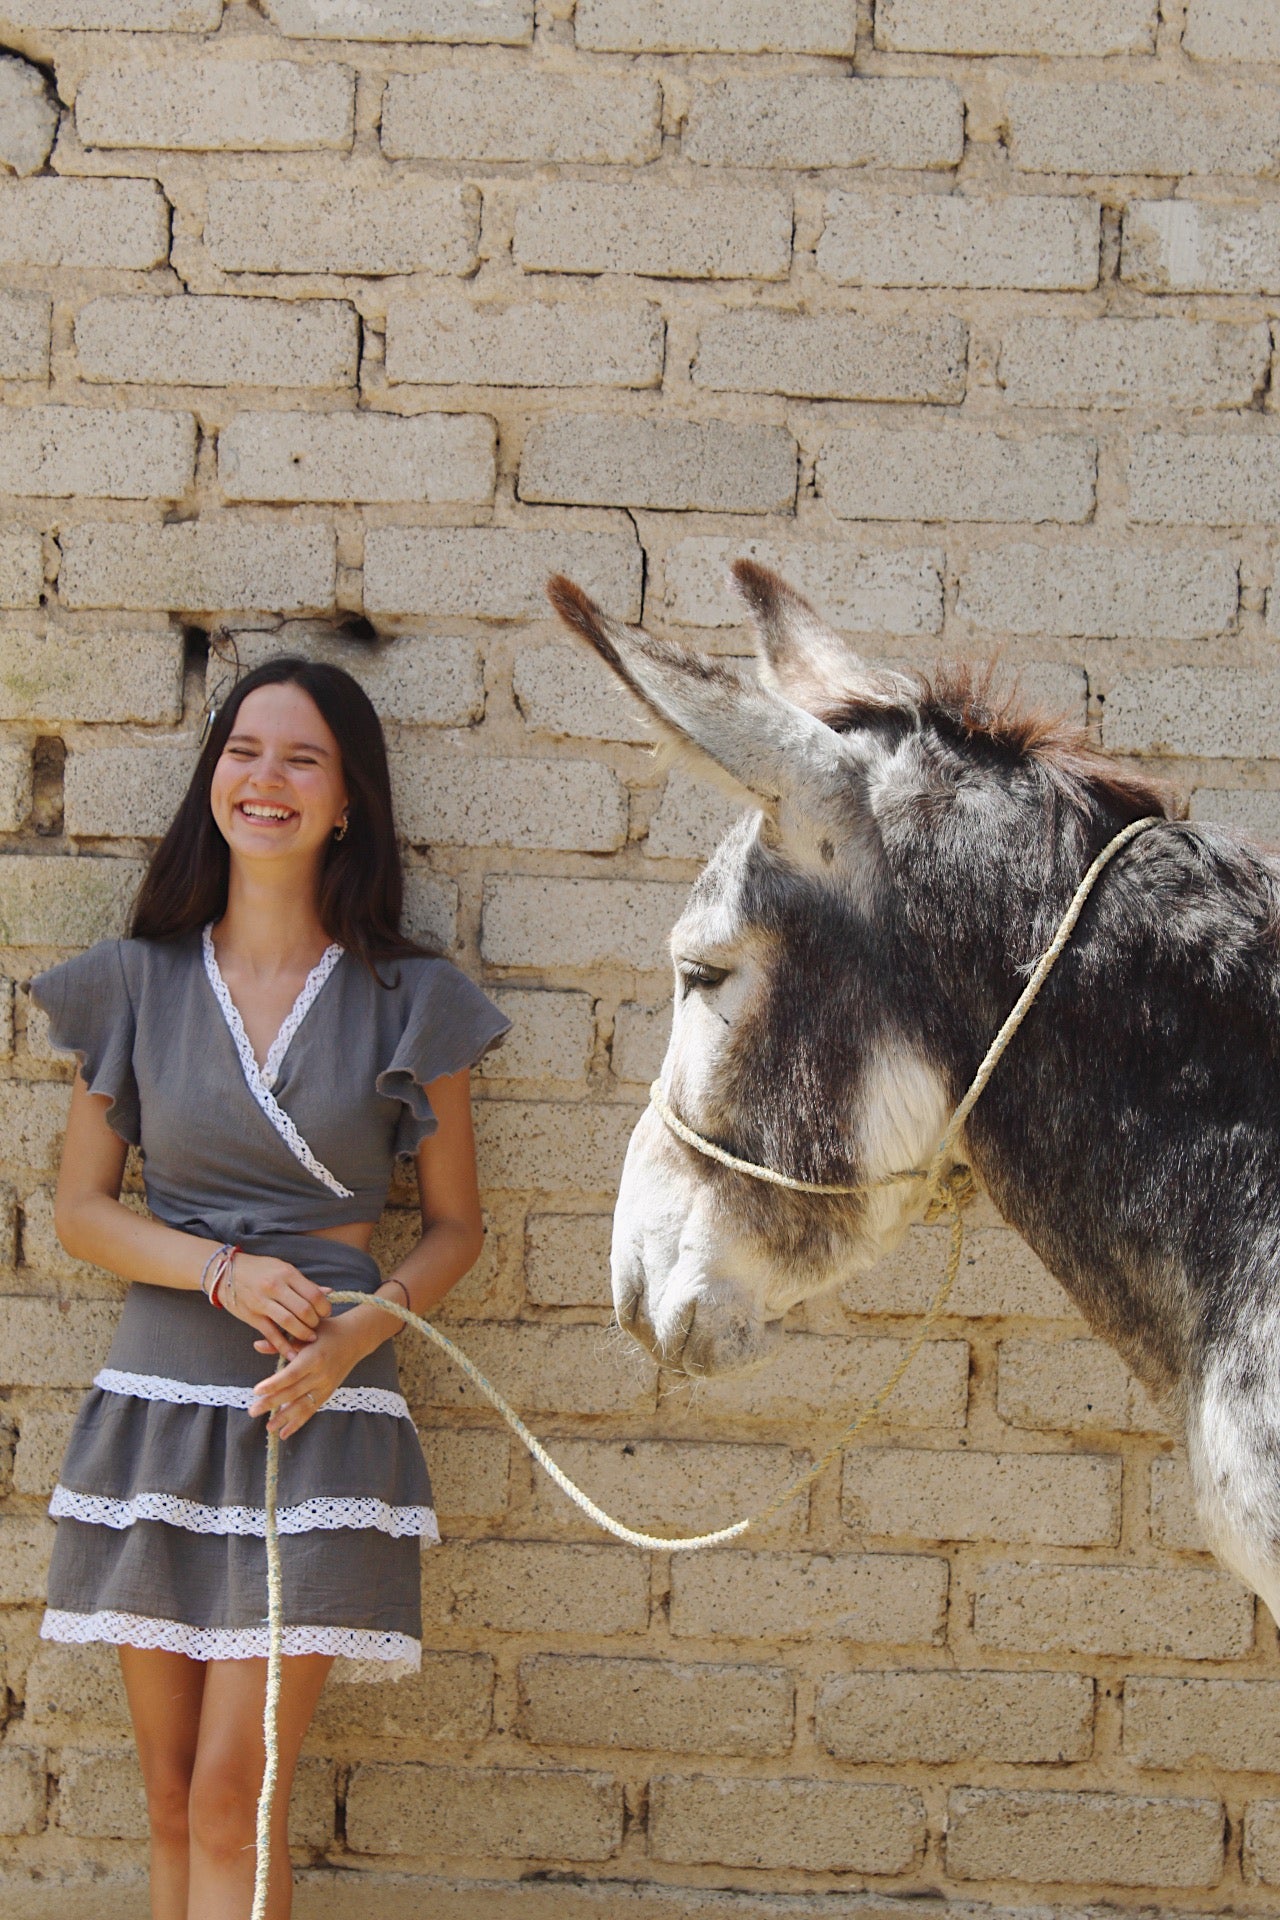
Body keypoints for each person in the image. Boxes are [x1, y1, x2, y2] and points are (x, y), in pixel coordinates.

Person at [29, 655, 508, 1920]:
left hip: (316, 1410)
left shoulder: (413, 997)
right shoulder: (134, 980)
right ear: (213, 781)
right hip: (156, 1411)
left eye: (302, 758)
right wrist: (222, 1270)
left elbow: (455, 1230)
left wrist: (353, 1338)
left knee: (241, 1793)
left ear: (346, 800)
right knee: (173, 1789)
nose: (267, 780)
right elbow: (81, 1210)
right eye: (244, 751)